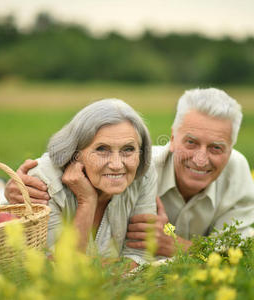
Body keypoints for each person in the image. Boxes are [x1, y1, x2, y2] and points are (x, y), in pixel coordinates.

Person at [5, 88, 254, 258]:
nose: (201, 159)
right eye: (191, 142)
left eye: (216, 148)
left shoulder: (237, 175)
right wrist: (14, 190)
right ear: (172, 139)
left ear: (230, 150)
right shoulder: (142, 166)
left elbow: (231, 250)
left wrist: (175, 242)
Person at [12, 99, 157, 267]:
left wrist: (93, 268)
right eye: (102, 149)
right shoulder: (42, 182)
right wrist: (87, 201)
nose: (117, 165)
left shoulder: (143, 174)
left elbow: (139, 256)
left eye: (128, 149)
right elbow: (59, 268)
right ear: (75, 153)